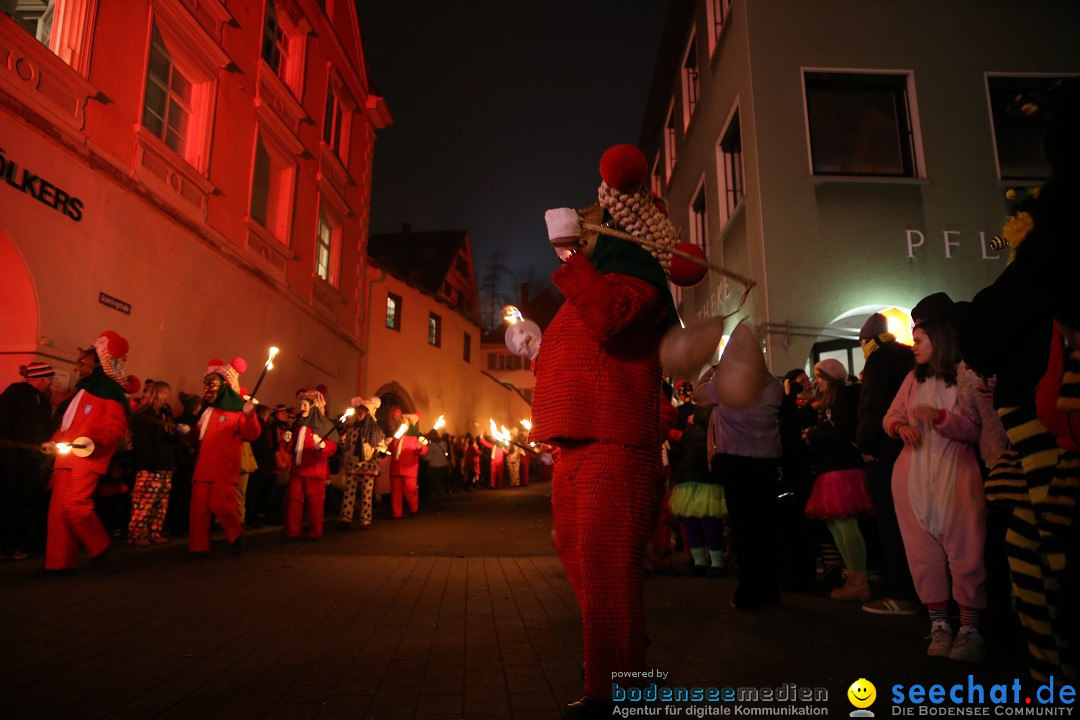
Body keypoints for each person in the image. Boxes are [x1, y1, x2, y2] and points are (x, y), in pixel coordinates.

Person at [530, 144, 692, 719]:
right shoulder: (593, 285)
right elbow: (574, 352)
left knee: (606, 566)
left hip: (613, 438)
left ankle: (615, 692)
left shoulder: (638, 284)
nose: (585, 239)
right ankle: (625, 658)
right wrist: (534, 347)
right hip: (578, 436)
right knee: (576, 551)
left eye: (594, 233)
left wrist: (573, 260)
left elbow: (612, 322)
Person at [884, 318, 987, 663]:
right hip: (913, 479)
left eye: (920, 339)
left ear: (939, 341)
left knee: (966, 550)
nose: (914, 346)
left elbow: (977, 427)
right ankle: (940, 624)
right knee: (923, 554)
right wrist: (900, 427)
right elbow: (891, 415)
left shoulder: (965, 376)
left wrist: (941, 419)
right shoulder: (913, 378)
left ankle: (970, 629)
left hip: (954, 474)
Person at [695, 324, 784, 609]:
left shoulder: (724, 382)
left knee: (744, 529)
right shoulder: (773, 385)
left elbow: (698, 396)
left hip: (734, 463)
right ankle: (770, 590)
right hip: (767, 462)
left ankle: (749, 593)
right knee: (767, 528)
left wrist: (712, 372)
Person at [44, 332, 138, 571]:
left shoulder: (111, 395)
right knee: (57, 511)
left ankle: (100, 545)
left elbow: (115, 428)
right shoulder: (83, 391)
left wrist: (93, 443)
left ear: (100, 363)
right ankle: (58, 564)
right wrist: (53, 442)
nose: (78, 367)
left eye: (83, 363)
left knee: (75, 505)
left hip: (87, 458)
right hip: (66, 458)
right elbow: (67, 425)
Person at [856, 313, 919, 615]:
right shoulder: (908, 356)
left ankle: (902, 593)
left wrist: (864, 445)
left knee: (892, 526)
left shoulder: (878, 362)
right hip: (914, 448)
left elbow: (873, 408)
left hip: (884, 452)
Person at [803, 358, 873, 601]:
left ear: (830, 378)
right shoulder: (832, 402)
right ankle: (854, 575)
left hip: (841, 468)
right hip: (833, 467)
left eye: (819, 376)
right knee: (835, 524)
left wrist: (813, 433)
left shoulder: (842, 400)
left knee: (845, 522)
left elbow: (841, 434)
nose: (816, 382)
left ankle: (859, 578)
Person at [188, 357, 260, 557]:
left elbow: (251, 434)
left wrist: (250, 415)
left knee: (222, 505)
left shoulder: (238, 412)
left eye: (212, 384)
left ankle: (236, 534)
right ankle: (198, 548)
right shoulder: (207, 412)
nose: (207, 389)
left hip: (224, 469)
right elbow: (198, 438)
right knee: (198, 510)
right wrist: (186, 433)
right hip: (203, 469)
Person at [0, 362, 55, 560]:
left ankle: (12, 545)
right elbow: (3, 426)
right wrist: (9, 455)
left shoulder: (44, 402)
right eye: (49, 379)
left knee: (22, 503)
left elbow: (45, 429)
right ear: (40, 379)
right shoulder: (13, 396)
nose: (50, 383)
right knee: (6, 501)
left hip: (31, 461)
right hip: (10, 460)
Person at [127, 381, 181, 545]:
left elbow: (169, 438)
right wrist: (149, 460)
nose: (167, 396)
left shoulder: (165, 413)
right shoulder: (145, 414)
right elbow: (143, 441)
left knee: (160, 501)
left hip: (165, 463)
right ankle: (138, 533)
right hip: (150, 464)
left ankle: (154, 530)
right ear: (157, 393)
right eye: (165, 393)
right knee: (145, 500)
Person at [283, 390, 339, 541]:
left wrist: (322, 446)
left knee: (315, 503)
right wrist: (288, 441)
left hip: (314, 472)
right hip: (297, 470)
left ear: (313, 406)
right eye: (301, 404)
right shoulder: (298, 424)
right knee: (294, 501)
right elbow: (291, 449)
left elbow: (332, 447)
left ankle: (314, 533)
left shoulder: (324, 425)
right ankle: (292, 532)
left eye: (305, 404)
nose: (302, 408)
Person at [339, 397, 385, 530]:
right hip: (352, 465)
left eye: (361, 413)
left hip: (368, 466)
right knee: (349, 492)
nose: (358, 415)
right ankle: (345, 518)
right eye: (358, 412)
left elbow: (380, 447)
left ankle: (365, 519)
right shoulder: (352, 429)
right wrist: (342, 437)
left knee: (366, 494)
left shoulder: (375, 431)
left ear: (368, 414)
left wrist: (380, 452)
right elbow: (346, 447)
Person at [387, 411, 427, 518]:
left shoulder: (415, 438)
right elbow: (389, 449)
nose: (402, 422)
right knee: (396, 493)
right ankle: (397, 513)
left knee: (411, 491)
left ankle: (414, 509)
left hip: (409, 469)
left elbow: (423, 450)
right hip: (395, 469)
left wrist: (420, 447)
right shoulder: (396, 437)